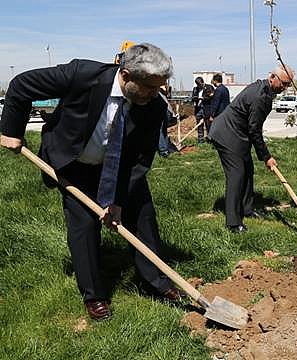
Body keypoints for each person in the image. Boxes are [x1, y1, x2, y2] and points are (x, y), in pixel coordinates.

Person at [0, 43, 185, 320]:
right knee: (83, 225)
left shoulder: (153, 105)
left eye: (160, 87)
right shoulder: (81, 75)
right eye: (148, 86)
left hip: (120, 165)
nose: (155, 93)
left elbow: (139, 160)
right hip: (76, 164)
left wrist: (117, 202)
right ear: (125, 75)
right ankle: (94, 295)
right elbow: (22, 84)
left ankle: (156, 281)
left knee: (143, 216)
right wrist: (11, 131)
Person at [207, 64, 294, 233]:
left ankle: (247, 209)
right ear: (272, 77)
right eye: (283, 83)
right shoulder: (260, 96)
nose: (284, 88)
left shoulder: (265, 89)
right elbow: (255, 130)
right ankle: (233, 223)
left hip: (239, 135)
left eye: (288, 85)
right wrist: (266, 156)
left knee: (248, 170)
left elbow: (252, 128)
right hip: (227, 135)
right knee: (237, 175)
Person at [191, 77, 207, 143]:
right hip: (198, 109)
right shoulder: (195, 89)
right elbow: (192, 98)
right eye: (198, 84)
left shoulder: (207, 88)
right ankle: (200, 140)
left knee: (208, 124)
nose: (199, 86)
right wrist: (197, 98)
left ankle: (209, 140)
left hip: (205, 109)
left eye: (200, 84)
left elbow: (210, 98)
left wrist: (203, 98)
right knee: (199, 125)